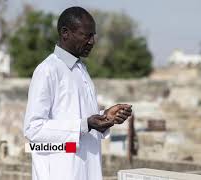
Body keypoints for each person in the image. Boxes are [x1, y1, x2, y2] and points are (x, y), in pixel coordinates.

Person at [23, 6, 132, 180]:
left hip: (88, 170)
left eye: (93, 35)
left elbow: (82, 121)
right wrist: (85, 124)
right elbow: (33, 129)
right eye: (86, 35)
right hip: (60, 172)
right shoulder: (48, 70)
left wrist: (106, 117)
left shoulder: (81, 70)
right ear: (65, 33)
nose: (92, 41)